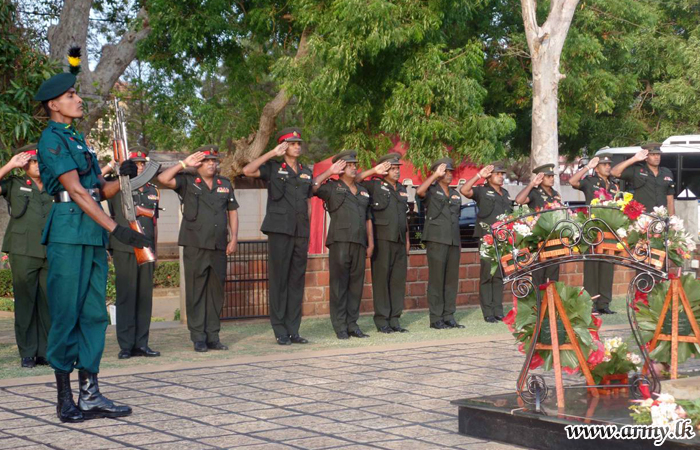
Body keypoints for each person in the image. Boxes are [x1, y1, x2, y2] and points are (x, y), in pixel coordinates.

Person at [34, 61, 150, 422]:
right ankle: (64, 398)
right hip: (69, 232)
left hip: (91, 234)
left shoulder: (77, 138)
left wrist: (125, 176)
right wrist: (117, 229)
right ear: (54, 104)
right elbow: (76, 193)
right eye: (71, 96)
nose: (78, 99)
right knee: (66, 314)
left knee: (94, 315)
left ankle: (90, 394)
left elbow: (99, 191)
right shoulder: (51, 139)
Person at [157, 146, 239, 352]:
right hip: (195, 245)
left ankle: (213, 336)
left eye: (214, 160)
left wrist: (234, 238)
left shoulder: (225, 184)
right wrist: (184, 163)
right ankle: (198, 337)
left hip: (218, 246)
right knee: (196, 292)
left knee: (216, 293)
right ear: (198, 163)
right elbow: (164, 179)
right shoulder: (187, 180)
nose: (211, 163)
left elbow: (232, 212)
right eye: (206, 160)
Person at [242, 128, 312, 345]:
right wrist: (272, 153)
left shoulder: (306, 171)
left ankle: (294, 329)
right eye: (292, 143)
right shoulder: (273, 167)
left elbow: (308, 202)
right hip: (280, 229)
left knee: (296, 281)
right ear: (283, 146)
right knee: (279, 280)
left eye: (298, 143)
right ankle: (280, 329)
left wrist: (307, 226)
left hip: (300, 231)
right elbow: (247, 170)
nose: (297, 146)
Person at [104, 146, 161, 358]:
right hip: (125, 247)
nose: (139, 167)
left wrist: (156, 250)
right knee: (126, 296)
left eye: (142, 164)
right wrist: (113, 165)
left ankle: (141, 343)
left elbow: (154, 223)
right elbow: (95, 188)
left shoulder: (152, 190)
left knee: (145, 297)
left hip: (146, 248)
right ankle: (126, 345)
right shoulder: (115, 187)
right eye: (135, 164)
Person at [0, 144, 53, 368]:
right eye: (32, 162)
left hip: (50, 250)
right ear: (25, 165)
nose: (37, 165)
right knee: (25, 302)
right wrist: (11, 164)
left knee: (50, 302)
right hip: (22, 250)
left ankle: (48, 351)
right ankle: (28, 352)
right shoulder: (15, 184)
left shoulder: (55, 185)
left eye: (39, 161)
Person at [313, 150, 373, 339]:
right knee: (339, 286)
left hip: (359, 243)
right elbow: (313, 187)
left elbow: (367, 218)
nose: (354, 167)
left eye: (355, 164)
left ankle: (352, 324)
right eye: (349, 165)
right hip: (340, 242)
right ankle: (339, 325)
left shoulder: (363, 190)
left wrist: (370, 243)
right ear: (340, 167)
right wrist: (329, 172)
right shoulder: (332, 187)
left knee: (356, 286)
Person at [356, 153, 410, 333]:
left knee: (397, 281)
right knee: (381, 281)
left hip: (400, 240)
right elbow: (353, 180)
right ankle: (382, 321)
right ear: (384, 170)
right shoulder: (374, 184)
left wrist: (408, 240)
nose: (396, 172)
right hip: (382, 239)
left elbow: (404, 217)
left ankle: (395, 319)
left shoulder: (402, 189)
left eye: (397, 169)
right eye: (392, 169)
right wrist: (373, 171)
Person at [415, 158, 466, 330]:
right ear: (437, 173)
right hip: (436, 239)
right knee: (437, 280)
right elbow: (419, 192)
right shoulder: (431, 189)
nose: (449, 174)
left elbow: (456, 219)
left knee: (451, 280)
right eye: (445, 171)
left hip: (452, 240)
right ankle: (436, 317)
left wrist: (458, 243)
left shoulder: (455, 194)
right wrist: (434, 176)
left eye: (450, 171)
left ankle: (449, 315)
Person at [461, 164, 512, 323]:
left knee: (500, 275)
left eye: (502, 174)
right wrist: (478, 175)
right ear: (489, 176)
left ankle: (498, 310)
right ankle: (488, 312)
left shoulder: (505, 193)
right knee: (487, 274)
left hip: (503, 239)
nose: (501, 177)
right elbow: (464, 190)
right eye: (497, 174)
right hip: (487, 238)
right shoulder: (482, 191)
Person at [570, 155, 620, 314]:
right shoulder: (590, 181)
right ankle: (590, 304)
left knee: (607, 266)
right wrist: (587, 167)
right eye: (603, 164)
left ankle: (604, 304)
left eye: (608, 164)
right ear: (596, 167)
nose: (607, 167)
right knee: (591, 267)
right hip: (592, 227)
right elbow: (572, 182)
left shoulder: (614, 185)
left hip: (608, 228)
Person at [514, 163, 562, 287]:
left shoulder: (555, 193)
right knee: (538, 274)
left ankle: (551, 304)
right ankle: (538, 304)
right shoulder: (534, 192)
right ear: (540, 178)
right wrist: (531, 184)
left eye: (552, 176)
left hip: (553, 238)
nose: (551, 178)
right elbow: (519, 200)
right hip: (538, 239)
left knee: (553, 276)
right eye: (548, 176)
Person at [611, 143, 675, 215]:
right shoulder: (637, 170)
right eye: (653, 155)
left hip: (661, 217)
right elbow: (614, 172)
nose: (656, 157)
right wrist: (634, 159)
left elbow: (670, 199)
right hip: (642, 217)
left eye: (658, 154)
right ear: (646, 157)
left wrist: (672, 219)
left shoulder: (666, 173)